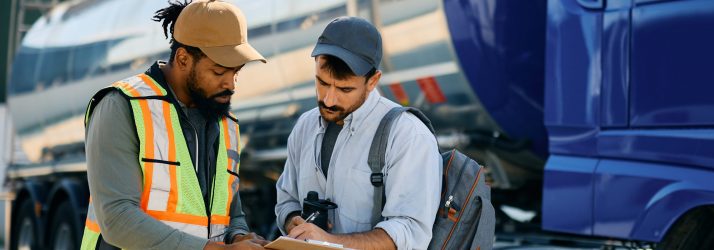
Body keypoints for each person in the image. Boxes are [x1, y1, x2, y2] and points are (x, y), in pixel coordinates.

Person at [80, 1, 268, 249]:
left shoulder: (226, 124)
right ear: (183, 59)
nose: (231, 84)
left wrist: (238, 236)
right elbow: (116, 219)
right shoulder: (122, 106)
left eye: (236, 72)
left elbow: (231, 215)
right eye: (219, 71)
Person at [275, 16, 443, 250]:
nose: (328, 99)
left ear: (373, 81)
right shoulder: (305, 126)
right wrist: (294, 221)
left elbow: (410, 232)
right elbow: (286, 200)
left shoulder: (407, 135)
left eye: (345, 89)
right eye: (322, 83)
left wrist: (329, 242)